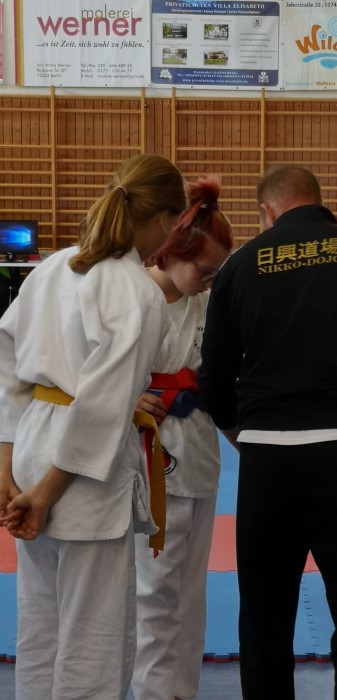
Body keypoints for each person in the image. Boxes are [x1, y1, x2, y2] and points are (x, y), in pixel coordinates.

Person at [198, 165, 337, 700]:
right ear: (320, 202)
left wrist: (241, 431)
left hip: (269, 459)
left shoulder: (241, 265)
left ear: (267, 211)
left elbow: (214, 377)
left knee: (265, 617)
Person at [0, 153, 187, 700]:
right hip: (80, 475)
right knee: (94, 634)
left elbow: (7, 365)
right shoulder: (136, 292)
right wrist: (44, 495)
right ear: (167, 220)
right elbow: (103, 408)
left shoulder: (53, 266)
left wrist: (7, 469)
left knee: (41, 622)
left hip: (32, 445)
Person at [131, 177, 234, 700]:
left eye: (217, 272)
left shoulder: (207, 305)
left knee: (191, 593)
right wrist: (130, 400)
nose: (210, 280)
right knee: (154, 592)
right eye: (204, 269)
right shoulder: (129, 296)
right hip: (145, 458)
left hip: (197, 453)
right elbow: (84, 378)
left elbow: (224, 378)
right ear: (171, 251)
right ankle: (152, 692)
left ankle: (180, 692)